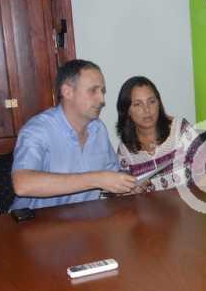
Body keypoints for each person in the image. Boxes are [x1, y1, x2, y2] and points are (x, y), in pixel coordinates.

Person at [11, 59, 138, 210]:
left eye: (102, 91)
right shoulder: (38, 130)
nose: (102, 100)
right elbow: (22, 184)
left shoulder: (98, 129)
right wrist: (96, 179)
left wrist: (127, 184)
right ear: (67, 92)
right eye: (93, 90)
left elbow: (111, 174)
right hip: (37, 220)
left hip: (84, 218)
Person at [115, 76, 206, 191]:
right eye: (138, 104)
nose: (147, 109)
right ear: (127, 111)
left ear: (159, 104)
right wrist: (133, 190)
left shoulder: (180, 130)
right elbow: (124, 193)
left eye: (152, 101)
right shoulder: (125, 151)